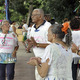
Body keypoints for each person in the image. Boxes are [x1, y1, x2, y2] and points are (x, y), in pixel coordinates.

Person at [27, 8, 51, 80]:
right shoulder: (33, 28)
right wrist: (29, 45)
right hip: (38, 60)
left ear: (40, 16)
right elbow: (33, 42)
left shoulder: (48, 26)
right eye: (32, 15)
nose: (32, 17)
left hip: (47, 61)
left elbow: (52, 45)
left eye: (34, 15)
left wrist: (37, 44)